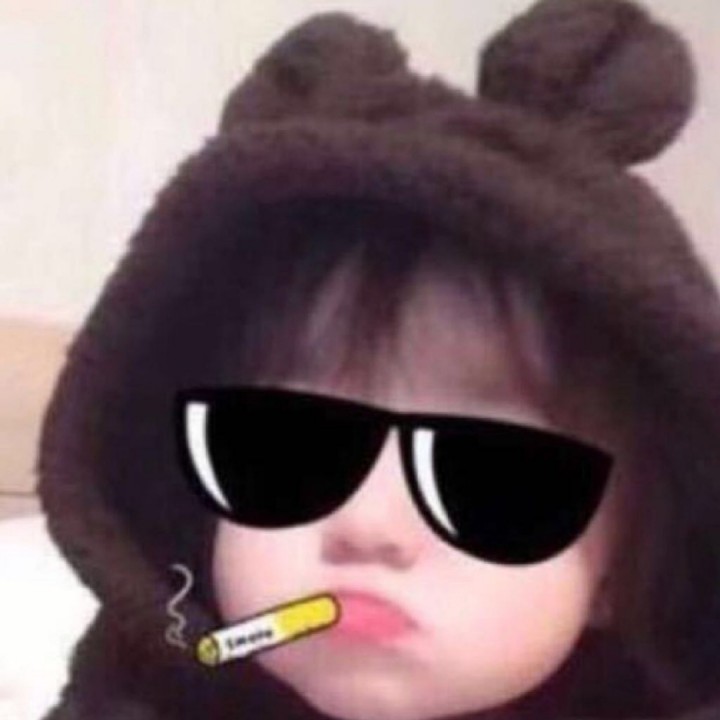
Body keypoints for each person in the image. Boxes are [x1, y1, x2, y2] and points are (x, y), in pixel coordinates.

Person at [38, 1, 720, 718]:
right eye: (281, 450)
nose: (368, 528)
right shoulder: (143, 690)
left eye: (494, 481)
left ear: (622, 574)